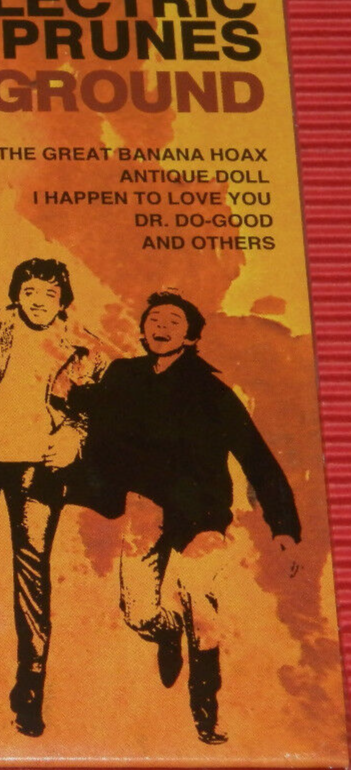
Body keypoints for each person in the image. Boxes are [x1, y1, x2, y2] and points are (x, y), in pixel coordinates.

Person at [71, 291, 301, 744]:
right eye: (154, 319)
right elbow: (95, 421)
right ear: (143, 329)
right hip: (145, 508)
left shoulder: (212, 392)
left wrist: (284, 528)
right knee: (138, 614)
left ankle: (205, 709)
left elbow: (257, 459)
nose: (162, 327)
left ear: (192, 336)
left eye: (174, 321)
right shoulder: (123, 376)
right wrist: (79, 389)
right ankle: (166, 628)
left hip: (201, 513)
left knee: (202, 606)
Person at [0, 257, 107, 737]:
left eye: (49, 294)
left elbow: (104, 402)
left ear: (63, 301)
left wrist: (75, 432)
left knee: (33, 571)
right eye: (29, 291)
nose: (37, 301)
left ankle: (31, 685)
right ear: (16, 294)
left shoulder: (83, 345)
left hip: (39, 465)